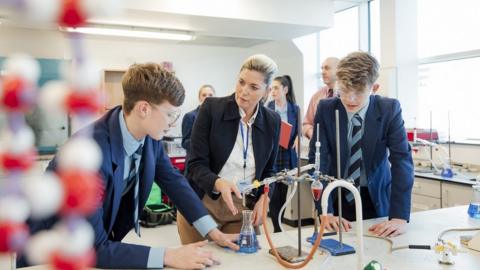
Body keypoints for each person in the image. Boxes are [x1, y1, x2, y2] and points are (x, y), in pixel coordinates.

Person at [19, 63, 238, 269]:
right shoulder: (88, 155)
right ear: (144, 109)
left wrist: (212, 231)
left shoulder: (148, 135)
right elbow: (92, 248)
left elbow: (173, 181)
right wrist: (168, 255)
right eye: (170, 114)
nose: (173, 122)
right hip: (49, 253)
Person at [176, 54, 281, 243]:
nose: (243, 91)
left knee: (243, 260)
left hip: (242, 206)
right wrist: (218, 182)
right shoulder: (211, 109)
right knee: (202, 262)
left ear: (266, 92)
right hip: (203, 203)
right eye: (241, 82)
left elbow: (270, 171)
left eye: (253, 87)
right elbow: (195, 164)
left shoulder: (272, 121)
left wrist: (265, 197)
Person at [308, 52, 414, 237]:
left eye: (359, 92)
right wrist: (326, 211)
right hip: (336, 197)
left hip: (376, 199)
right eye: (345, 91)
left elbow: (402, 162)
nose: (350, 99)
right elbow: (318, 162)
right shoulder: (325, 109)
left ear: (374, 87)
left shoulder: (389, 109)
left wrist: (399, 217)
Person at [266, 75, 300, 233]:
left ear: (285, 90)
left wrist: (299, 137)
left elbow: (299, 130)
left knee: (283, 191)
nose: (273, 91)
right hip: (272, 152)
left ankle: (278, 224)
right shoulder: (268, 107)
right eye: (271, 88)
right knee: (273, 192)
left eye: (276, 88)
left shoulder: (295, 109)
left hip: (286, 153)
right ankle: (277, 228)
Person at [302, 57, 339, 140]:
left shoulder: (347, 96)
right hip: (320, 148)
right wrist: (313, 135)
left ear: (338, 70)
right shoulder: (316, 97)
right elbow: (306, 124)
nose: (322, 72)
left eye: (327, 68)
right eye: (322, 69)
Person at [181, 84, 215, 154]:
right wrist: (202, 142)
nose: (207, 97)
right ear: (199, 98)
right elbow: (184, 143)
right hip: (194, 160)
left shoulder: (217, 118)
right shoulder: (190, 116)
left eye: (210, 95)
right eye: (204, 95)